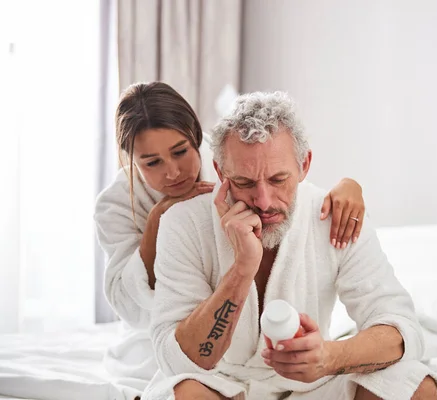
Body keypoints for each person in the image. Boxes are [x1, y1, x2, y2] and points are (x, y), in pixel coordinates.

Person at [144, 91, 437, 399]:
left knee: (416, 386)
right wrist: (243, 268)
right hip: (222, 387)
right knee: (183, 394)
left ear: (304, 164)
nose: (263, 201)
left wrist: (329, 357)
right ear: (220, 172)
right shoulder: (183, 223)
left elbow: (402, 329)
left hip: (313, 387)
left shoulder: (336, 216)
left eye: (277, 179)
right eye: (244, 183)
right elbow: (180, 359)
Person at [94, 82, 367, 398]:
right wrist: (158, 221)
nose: (172, 172)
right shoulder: (114, 206)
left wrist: (349, 185)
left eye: (181, 151)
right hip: (160, 336)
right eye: (152, 162)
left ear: (197, 138)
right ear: (129, 160)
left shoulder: (226, 162)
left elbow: (285, 184)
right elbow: (129, 305)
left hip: (250, 345)